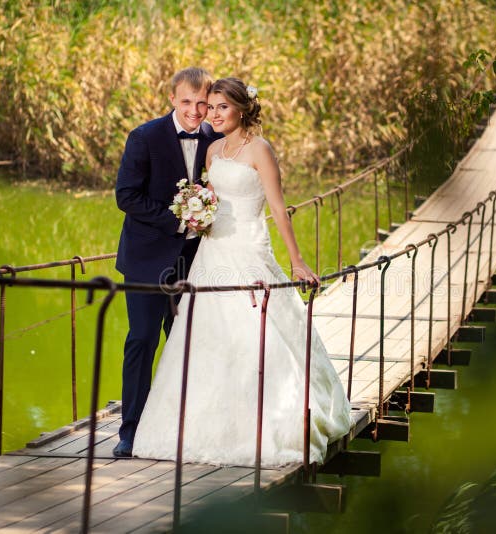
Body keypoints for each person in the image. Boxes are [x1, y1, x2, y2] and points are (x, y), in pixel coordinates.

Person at [132, 78, 352, 466]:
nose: (213, 114)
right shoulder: (213, 150)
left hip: (249, 249)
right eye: (211, 107)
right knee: (207, 336)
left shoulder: (260, 149)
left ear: (242, 109)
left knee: (256, 334)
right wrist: (195, 214)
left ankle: (265, 425)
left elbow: (278, 208)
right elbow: (213, 201)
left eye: (222, 107)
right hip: (211, 253)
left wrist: (297, 261)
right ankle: (197, 429)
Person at [113, 67, 223, 458]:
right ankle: (130, 431)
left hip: (195, 261)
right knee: (142, 340)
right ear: (172, 99)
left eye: (202, 103)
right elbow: (126, 196)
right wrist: (178, 219)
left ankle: (181, 427)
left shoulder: (216, 139)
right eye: (186, 102)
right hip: (146, 259)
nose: (195, 111)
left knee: (186, 343)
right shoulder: (144, 137)